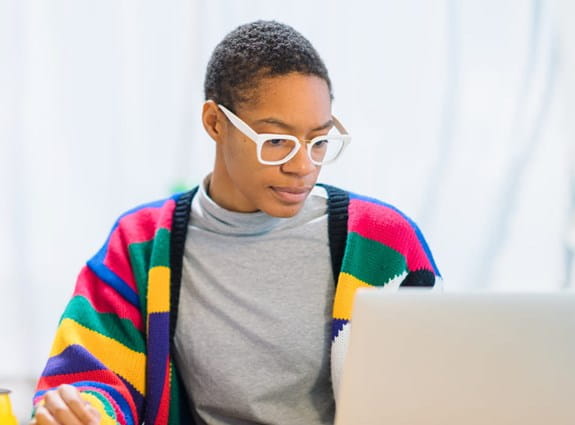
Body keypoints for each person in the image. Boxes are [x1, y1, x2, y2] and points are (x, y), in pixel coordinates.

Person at [30, 20, 441, 425]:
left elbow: (438, 387)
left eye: (318, 141)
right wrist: (86, 413)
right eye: (275, 141)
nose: (302, 166)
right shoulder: (139, 244)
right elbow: (94, 379)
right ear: (215, 123)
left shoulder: (384, 244)